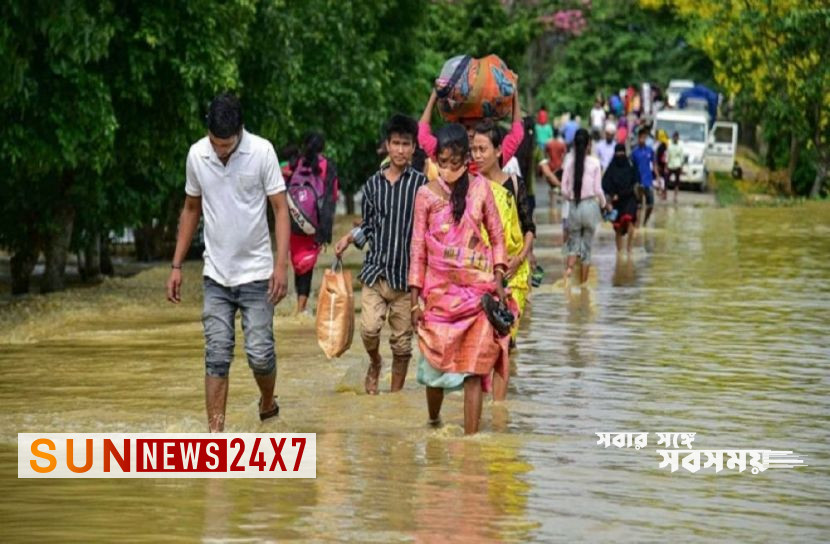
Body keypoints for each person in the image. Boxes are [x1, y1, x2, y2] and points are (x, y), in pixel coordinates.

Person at [166, 92, 289, 432]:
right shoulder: (197, 155)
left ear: (241, 131)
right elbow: (191, 209)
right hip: (216, 275)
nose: (221, 151)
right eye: (216, 143)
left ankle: (267, 401)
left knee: (260, 355)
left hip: (257, 274)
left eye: (228, 145)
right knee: (217, 356)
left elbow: (280, 209)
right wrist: (176, 265)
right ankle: (215, 438)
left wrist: (281, 266)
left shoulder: (262, 151)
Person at [409, 123, 509, 435]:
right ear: (435, 160)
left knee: (475, 370)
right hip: (438, 296)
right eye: (443, 163)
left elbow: (496, 236)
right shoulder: (425, 196)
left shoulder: (481, 189)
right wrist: (415, 300)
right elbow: (418, 249)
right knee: (434, 366)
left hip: (478, 296)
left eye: (456, 163)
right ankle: (434, 421)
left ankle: (471, 441)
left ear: (467, 160)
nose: (449, 170)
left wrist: (499, 278)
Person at [334, 114, 427, 394]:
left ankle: (395, 398)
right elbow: (371, 225)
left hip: (406, 279)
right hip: (376, 272)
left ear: (413, 148)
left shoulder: (422, 186)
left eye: (406, 144)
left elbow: (429, 232)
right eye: (395, 143)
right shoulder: (372, 185)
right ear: (387, 145)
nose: (400, 149)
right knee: (369, 329)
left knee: (402, 345)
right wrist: (350, 238)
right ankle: (375, 362)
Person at [472, 120, 535, 401]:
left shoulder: (514, 184)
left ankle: (499, 408)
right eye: (473, 149)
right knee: (482, 340)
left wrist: (519, 258)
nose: (477, 155)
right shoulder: (470, 188)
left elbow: (529, 228)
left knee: (505, 341)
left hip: (514, 275)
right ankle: (479, 401)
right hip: (482, 274)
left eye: (482, 149)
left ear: (499, 151)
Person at [418, 83, 524, 175]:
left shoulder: (494, 156)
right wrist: (434, 95)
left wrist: (515, 96)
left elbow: (517, 134)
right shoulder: (449, 154)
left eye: (476, 128)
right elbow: (422, 135)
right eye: (467, 128)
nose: (471, 133)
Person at [288, 132, 338, 315]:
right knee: (306, 265)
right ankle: (301, 308)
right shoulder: (327, 166)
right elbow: (332, 198)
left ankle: (298, 305)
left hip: (293, 222)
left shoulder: (294, 164)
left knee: (297, 263)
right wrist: (325, 232)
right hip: (313, 223)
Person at [561, 128, 608, 286]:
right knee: (587, 249)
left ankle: (567, 278)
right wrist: (604, 204)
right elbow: (598, 190)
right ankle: (583, 287)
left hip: (574, 206)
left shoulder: (569, 162)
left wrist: (572, 198)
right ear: (589, 144)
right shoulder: (595, 163)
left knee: (573, 245)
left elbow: (563, 190)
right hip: (590, 207)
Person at [602, 144, 639, 253]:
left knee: (630, 221)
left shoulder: (631, 165)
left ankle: (629, 250)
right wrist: (612, 195)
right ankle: (619, 252)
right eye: (618, 153)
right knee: (618, 227)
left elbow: (635, 181)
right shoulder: (611, 167)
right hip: (616, 200)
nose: (620, 155)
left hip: (630, 198)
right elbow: (605, 183)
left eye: (622, 152)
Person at [631, 126, 657, 226]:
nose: (642, 139)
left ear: (646, 138)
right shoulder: (634, 152)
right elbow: (631, 166)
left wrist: (658, 178)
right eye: (640, 137)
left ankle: (645, 222)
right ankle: (637, 225)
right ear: (638, 138)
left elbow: (654, 165)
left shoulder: (650, 151)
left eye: (644, 137)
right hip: (637, 181)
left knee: (650, 204)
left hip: (648, 181)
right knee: (638, 205)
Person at [667, 131, 684, 203]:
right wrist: (666, 165)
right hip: (670, 165)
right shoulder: (669, 145)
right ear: (673, 138)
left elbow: (681, 156)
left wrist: (681, 166)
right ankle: (664, 194)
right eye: (674, 137)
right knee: (666, 180)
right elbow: (668, 155)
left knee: (677, 182)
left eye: (677, 137)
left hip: (677, 165)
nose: (675, 138)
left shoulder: (680, 146)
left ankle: (675, 196)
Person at [655, 129, 670, 200]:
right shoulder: (665, 144)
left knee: (662, 179)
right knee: (662, 179)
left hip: (662, 165)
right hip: (662, 164)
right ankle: (662, 194)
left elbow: (665, 155)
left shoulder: (662, 145)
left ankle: (663, 194)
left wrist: (665, 166)